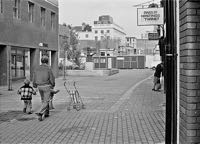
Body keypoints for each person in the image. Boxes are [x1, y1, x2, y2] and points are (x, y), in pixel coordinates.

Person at [33, 55, 55, 121]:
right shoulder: (48, 68)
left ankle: (46, 113)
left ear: (41, 61)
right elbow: (51, 77)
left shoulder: (37, 68)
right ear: (47, 61)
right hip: (46, 86)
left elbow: (34, 77)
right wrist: (53, 85)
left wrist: (34, 85)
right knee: (46, 100)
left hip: (39, 86)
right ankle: (41, 112)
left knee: (43, 100)